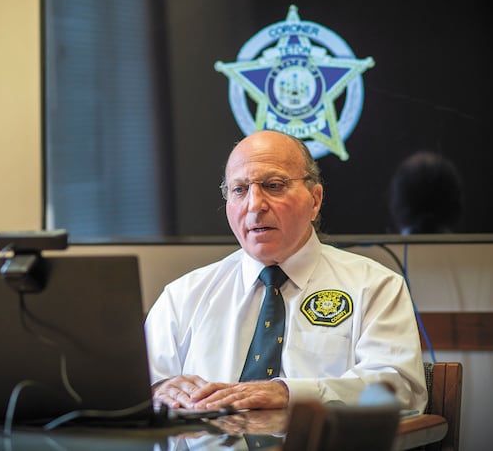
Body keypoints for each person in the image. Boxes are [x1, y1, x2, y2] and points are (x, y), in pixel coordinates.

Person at [144, 130, 428, 413]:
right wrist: (155, 391)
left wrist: (291, 393)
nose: (255, 205)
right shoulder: (182, 297)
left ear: (314, 200)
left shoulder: (375, 287)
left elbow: (399, 389)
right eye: (240, 190)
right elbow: (132, 390)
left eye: (274, 185)